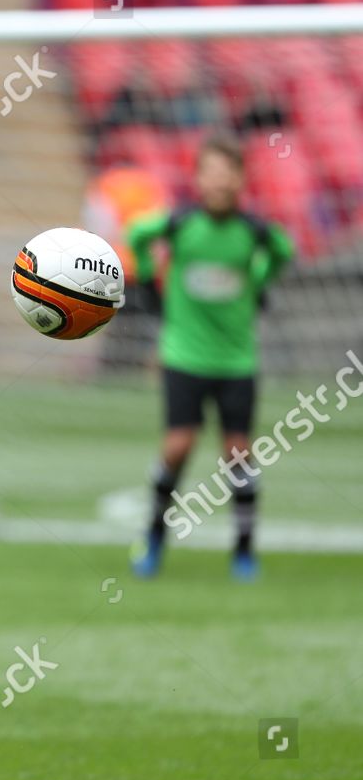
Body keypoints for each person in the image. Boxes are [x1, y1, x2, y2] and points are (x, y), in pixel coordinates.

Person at [127, 134, 294, 581]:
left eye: (228, 173)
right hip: (184, 355)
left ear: (241, 179)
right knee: (178, 446)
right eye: (211, 173)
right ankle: (154, 539)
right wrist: (147, 281)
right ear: (197, 179)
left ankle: (243, 550)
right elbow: (137, 234)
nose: (220, 182)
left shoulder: (253, 233)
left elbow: (283, 251)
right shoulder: (181, 226)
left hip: (237, 360)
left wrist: (258, 282)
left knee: (238, 453)